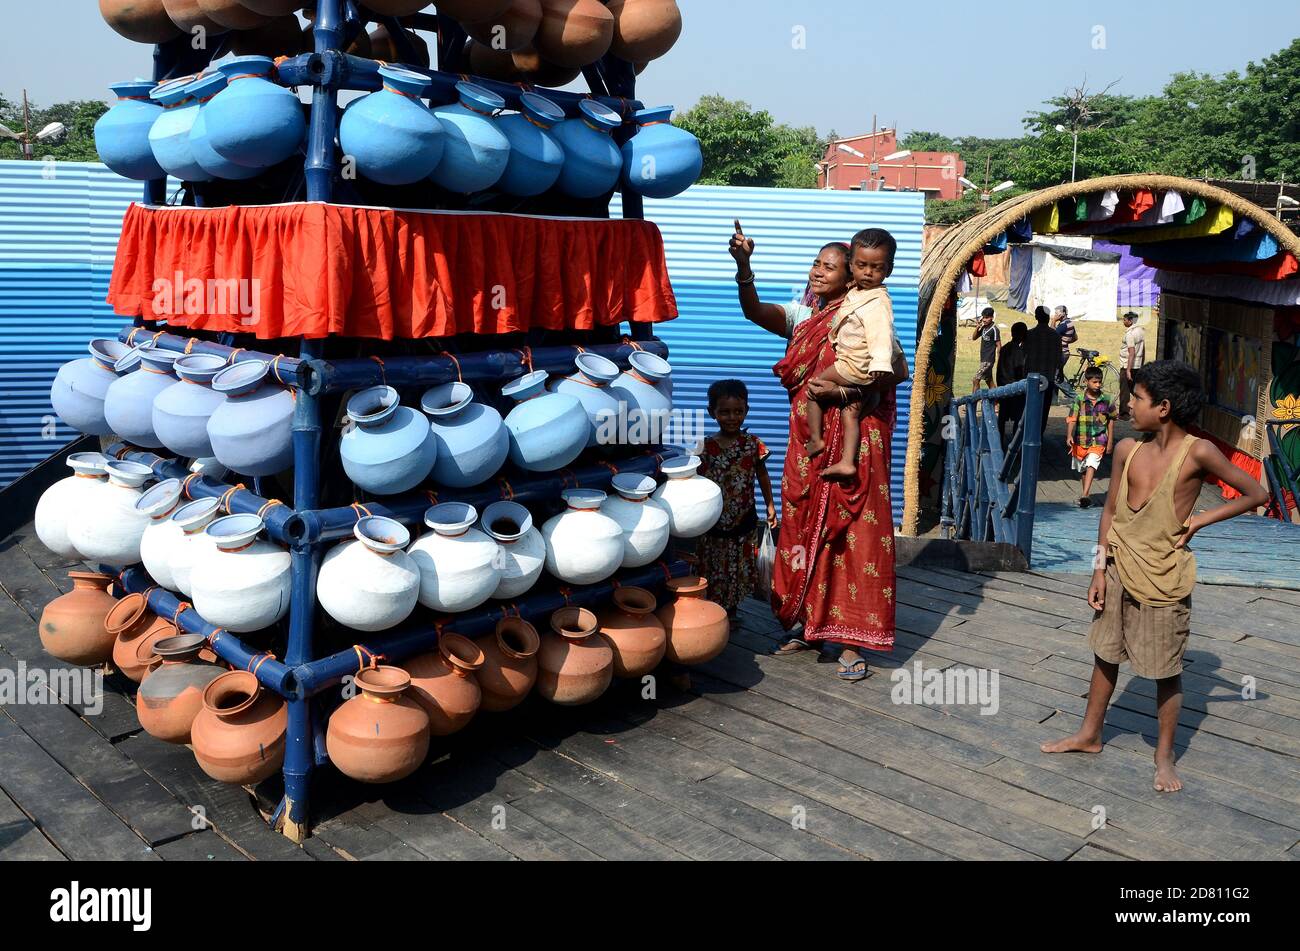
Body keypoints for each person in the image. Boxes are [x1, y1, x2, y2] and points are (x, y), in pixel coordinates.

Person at [1041, 361, 1269, 792]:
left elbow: (1258, 493)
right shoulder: (1127, 449)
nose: (1128, 404)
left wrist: (1202, 519)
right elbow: (1109, 512)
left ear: (1163, 407)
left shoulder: (1198, 452)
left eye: (1137, 398)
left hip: (1163, 576)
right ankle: (1090, 734)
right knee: (1104, 654)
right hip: (1116, 568)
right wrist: (1097, 569)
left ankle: (1164, 756)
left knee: (1166, 668)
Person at [728, 223, 901, 681]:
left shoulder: (866, 314)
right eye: (816, 264)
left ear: (851, 279)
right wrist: (744, 265)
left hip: (855, 439)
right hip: (808, 444)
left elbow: (893, 369)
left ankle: (848, 639)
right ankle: (808, 623)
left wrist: (846, 394)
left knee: (852, 535)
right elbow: (752, 310)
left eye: (829, 267)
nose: (818, 273)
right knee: (803, 522)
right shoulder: (803, 317)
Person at [803, 228, 905, 480]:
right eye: (861, 266)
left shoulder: (876, 302)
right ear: (852, 267)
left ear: (888, 270)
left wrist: (879, 362)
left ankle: (815, 439)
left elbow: (882, 337)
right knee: (852, 411)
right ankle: (847, 461)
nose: (868, 273)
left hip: (855, 368)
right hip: (864, 379)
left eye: (876, 268)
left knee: (813, 389)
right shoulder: (855, 296)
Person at [695, 379, 776, 619]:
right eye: (725, 412)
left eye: (738, 411)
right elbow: (694, 482)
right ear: (713, 413)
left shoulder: (753, 445)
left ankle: (731, 610)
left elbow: (762, 474)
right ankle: (713, 610)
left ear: (746, 411)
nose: (732, 417)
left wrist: (770, 505)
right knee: (714, 565)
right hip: (713, 523)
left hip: (744, 520)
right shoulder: (705, 447)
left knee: (738, 568)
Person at [1066, 367, 1117, 507]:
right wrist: (1069, 435)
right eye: (1094, 382)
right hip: (1081, 440)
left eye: (1100, 382)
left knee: (1092, 463)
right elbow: (1072, 418)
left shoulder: (1107, 400)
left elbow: (1112, 420)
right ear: (1086, 381)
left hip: (1099, 440)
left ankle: (1084, 494)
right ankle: (1086, 494)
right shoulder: (1079, 399)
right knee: (1083, 468)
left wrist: (1110, 440)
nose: (1098, 385)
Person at [1024, 306, 1060, 436]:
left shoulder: (1029, 334)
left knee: (1030, 409)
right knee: (1044, 410)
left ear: (1036, 317)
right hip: (1048, 378)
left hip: (1031, 378)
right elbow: (1058, 357)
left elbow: (1024, 356)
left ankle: (1029, 435)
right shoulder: (1055, 335)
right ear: (1048, 317)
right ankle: (1039, 435)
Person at [995, 321, 1028, 443]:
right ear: (1023, 335)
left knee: (1002, 417)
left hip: (1003, 385)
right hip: (1015, 388)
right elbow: (1019, 370)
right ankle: (1015, 444)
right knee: (1019, 419)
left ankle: (999, 441)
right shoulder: (1018, 351)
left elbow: (999, 369)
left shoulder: (1005, 348)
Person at [1117, 311, 1146, 419]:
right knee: (1135, 389)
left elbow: (1131, 352)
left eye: (1125, 320)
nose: (1123, 322)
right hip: (1137, 365)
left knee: (1124, 390)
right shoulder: (1141, 331)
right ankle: (1144, 408)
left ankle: (1124, 414)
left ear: (1130, 321)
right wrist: (1142, 363)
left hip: (1127, 365)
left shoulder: (1130, 334)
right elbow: (1143, 349)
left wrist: (1128, 370)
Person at [970, 307, 1000, 393]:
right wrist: (977, 327)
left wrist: (999, 360)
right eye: (983, 317)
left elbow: (999, 345)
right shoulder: (984, 328)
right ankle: (997, 403)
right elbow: (974, 337)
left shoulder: (994, 329)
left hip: (988, 360)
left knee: (975, 380)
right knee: (989, 382)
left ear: (992, 317)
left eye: (987, 317)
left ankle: (973, 404)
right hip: (983, 359)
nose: (984, 319)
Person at [1052, 305, 1078, 379]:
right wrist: (1065, 341)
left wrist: (1053, 320)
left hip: (1061, 353)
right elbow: (1075, 338)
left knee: (1054, 377)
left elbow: (1052, 335)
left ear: (1063, 314)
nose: (1055, 315)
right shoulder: (1069, 323)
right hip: (1064, 353)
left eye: (1057, 313)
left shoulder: (1063, 325)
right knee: (1059, 376)